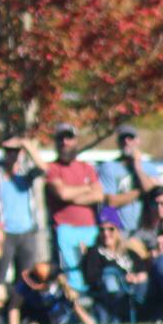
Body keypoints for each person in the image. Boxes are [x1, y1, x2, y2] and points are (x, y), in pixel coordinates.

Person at [0, 136, 48, 286]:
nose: (12, 155)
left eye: (15, 151)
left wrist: (25, 143)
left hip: (27, 233)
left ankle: (19, 309)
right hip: (4, 234)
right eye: (9, 151)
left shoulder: (26, 173)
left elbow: (44, 168)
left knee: (26, 279)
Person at [44, 122, 102, 294]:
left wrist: (71, 195)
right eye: (60, 138)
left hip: (90, 229)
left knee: (92, 270)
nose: (65, 142)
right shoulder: (53, 168)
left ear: (76, 140)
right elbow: (62, 194)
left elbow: (98, 195)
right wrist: (85, 188)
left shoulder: (87, 168)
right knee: (72, 274)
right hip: (65, 230)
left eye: (69, 138)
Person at [82, 207, 148, 324]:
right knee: (110, 275)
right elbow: (91, 277)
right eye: (102, 230)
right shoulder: (95, 252)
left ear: (118, 230)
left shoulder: (129, 253)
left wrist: (137, 277)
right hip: (111, 295)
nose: (106, 234)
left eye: (110, 229)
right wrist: (122, 278)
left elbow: (143, 270)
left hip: (136, 290)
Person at [97, 125, 158, 235]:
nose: (126, 142)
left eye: (130, 138)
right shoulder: (109, 167)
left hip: (145, 229)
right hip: (120, 230)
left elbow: (154, 193)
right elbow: (111, 201)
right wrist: (140, 191)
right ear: (118, 142)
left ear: (138, 141)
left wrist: (137, 166)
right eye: (122, 138)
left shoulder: (149, 167)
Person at [8, 262, 95, 324]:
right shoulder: (25, 288)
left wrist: (68, 289)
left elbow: (75, 304)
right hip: (39, 320)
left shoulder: (61, 289)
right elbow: (14, 307)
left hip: (64, 320)